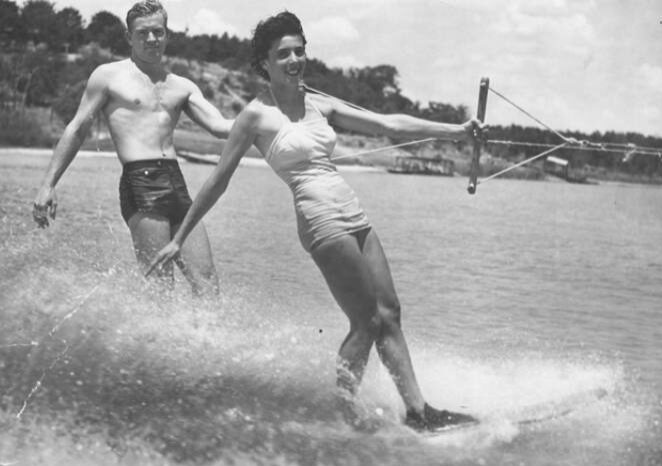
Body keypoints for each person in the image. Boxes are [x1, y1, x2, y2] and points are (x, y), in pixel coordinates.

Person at [147, 11, 485, 431]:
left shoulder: (319, 103)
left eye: (299, 51)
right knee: (366, 321)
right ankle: (345, 417)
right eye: (283, 54)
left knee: (390, 313)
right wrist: (180, 237)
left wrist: (456, 131)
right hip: (319, 219)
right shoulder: (255, 116)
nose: (294, 60)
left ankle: (419, 411)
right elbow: (218, 180)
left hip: (352, 212)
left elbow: (388, 124)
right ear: (264, 64)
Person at [32, 0, 233, 296]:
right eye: (143, 33)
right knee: (160, 288)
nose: (151, 39)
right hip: (141, 182)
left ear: (167, 35)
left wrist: (272, 113)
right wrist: (47, 185)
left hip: (177, 184)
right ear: (129, 37)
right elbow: (76, 128)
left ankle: (203, 342)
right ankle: (149, 341)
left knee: (207, 284)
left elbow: (221, 127)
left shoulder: (183, 86)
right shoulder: (109, 76)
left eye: (158, 32)